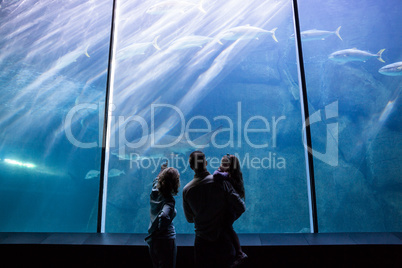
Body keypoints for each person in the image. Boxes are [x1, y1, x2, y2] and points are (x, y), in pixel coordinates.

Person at [183, 151, 246, 268]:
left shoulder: (187, 190)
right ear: (206, 163)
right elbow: (241, 207)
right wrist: (227, 221)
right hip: (223, 240)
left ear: (191, 167)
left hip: (202, 241)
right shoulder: (221, 183)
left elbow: (190, 219)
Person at [213, 154, 247, 267]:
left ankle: (239, 253)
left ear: (230, 166)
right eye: (221, 163)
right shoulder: (233, 175)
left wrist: (220, 170)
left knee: (227, 228)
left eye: (224, 164)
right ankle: (237, 252)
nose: (221, 166)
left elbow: (216, 175)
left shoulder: (227, 175)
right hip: (230, 210)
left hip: (229, 210)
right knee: (227, 229)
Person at [145, 162, 180, 268]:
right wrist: (162, 228)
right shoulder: (169, 200)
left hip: (153, 239)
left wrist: (162, 170)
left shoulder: (155, 191)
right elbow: (164, 216)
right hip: (166, 239)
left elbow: (156, 181)